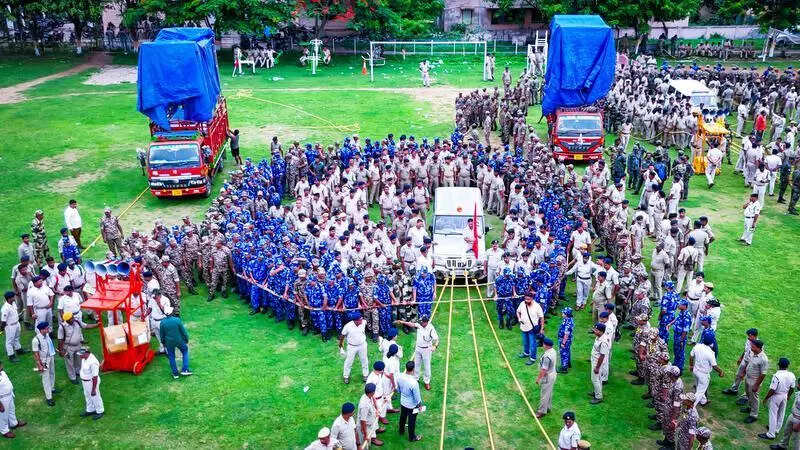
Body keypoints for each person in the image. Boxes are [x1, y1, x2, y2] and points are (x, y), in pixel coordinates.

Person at [395, 315, 438, 390]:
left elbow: (437, 339)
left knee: (427, 367)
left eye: (422, 322)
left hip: (426, 350)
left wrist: (435, 346)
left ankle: (426, 382)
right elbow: (412, 324)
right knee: (416, 365)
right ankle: (416, 379)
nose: (420, 323)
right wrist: (402, 322)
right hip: (418, 349)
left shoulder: (431, 329)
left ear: (426, 322)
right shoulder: (420, 325)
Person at [760, 357, 796, 440]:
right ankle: (776, 429)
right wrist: (788, 396)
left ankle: (771, 434)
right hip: (784, 395)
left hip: (776, 396)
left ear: (778, 365)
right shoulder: (791, 375)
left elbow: (773, 389)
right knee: (781, 413)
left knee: (773, 414)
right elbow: (792, 387)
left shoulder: (777, 375)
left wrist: (766, 398)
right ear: (787, 366)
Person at [57, 312, 97, 384]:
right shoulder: (62, 327)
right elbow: (60, 339)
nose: (73, 319)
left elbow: (86, 326)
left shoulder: (77, 322)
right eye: (71, 318)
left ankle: (78, 371)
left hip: (79, 345)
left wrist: (97, 325)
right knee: (70, 362)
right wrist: (61, 350)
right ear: (67, 320)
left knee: (78, 359)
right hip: (68, 347)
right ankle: (72, 377)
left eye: (73, 317)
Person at [689, 334, 724, 407]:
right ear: (712, 343)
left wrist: (691, 366)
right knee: (700, 392)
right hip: (703, 374)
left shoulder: (697, 346)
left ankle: (703, 401)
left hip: (695, 370)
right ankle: (691, 406)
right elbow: (714, 366)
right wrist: (721, 371)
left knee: (699, 386)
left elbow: (691, 356)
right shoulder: (710, 353)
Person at [159, 311, 192, 380]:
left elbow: (162, 335)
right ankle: (185, 369)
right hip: (179, 341)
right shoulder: (177, 320)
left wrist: (163, 343)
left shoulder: (162, 322)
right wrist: (186, 339)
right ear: (171, 312)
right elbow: (183, 331)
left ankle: (175, 373)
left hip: (169, 343)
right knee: (185, 351)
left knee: (171, 357)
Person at [743, 339, 769, 423]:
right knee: (748, 394)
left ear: (758, 348)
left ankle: (754, 415)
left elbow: (763, 374)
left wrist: (756, 385)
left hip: (754, 381)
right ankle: (750, 408)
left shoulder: (763, 359)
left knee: (754, 397)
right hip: (748, 378)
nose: (751, 347)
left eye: (753, 346)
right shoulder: (753, 353)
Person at [397, 360, 423, 442]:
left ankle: (401, 431)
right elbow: (417, 396)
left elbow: (398, 389)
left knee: (403, 416)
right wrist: (420, 405)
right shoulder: (414, 382)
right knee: (412, 421)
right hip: (412, 405)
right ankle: (412, 437)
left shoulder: (400, 376)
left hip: (403, 401)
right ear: (413, 369)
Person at [32, 321, 57, 406]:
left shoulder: (47, 336)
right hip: (44, 361)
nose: (48, 329)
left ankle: (52, 388)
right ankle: (49, 397)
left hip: (51, 357)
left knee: (52, 373)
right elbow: (36, 353)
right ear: (42, 330)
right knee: (45, 378)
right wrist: (39, 364)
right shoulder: (36, 340)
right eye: (46, 328)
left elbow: (50, 345)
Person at [770, 378, 800, 450]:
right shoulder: (799, 393)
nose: (797, 385)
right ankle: (783, 446)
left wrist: (798, 425)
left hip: (798, 419)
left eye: (799, 384)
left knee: (796, 438)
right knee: (786, 432)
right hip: (792, 415)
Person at [340, 312, 369, 384]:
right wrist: (340, 344)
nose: (362, 320)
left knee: (364, 360)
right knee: (349, 361)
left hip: (362, 345)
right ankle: (346, 376)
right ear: (355, 321)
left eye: (362, 319)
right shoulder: (348, 326)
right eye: (360, 319)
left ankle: (365, 375)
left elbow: (365, 322)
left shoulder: (363, 322)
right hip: (351, 346)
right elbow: (342, 335)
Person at [0, 361, 26, 438]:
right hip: (2, 399)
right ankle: (4, 431)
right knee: (3, 416)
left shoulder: (2, 373)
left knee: (12, 410)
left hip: (9, 395)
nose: (1, 366)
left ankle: (13, 423)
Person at [517, 293, 544, 365]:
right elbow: (518, 311)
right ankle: (526, 353)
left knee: (533, 344)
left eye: (528, 299)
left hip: (532, 329)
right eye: (525, 299)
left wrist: (542, 328)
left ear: (532, 298)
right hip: (523, 327)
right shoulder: (522, 303)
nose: (526, 300)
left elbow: (541, 318)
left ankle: (532, 358)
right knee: (525, 342)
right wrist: (519, 318)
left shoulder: (537, 306)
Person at [77, 347, 103, 420]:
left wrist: (93, 389)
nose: (80, 356)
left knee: (95, 396)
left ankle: (100, 411)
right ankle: (90, 409)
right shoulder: (84, 358)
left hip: (91, 382)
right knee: (87, 396)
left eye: (81, 354)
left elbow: (95, 377)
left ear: (87, 353)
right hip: (85, 382)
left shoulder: (93, 362)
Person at [536, 337, 557, 418]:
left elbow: (544, 370)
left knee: (544, 394)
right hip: (553, 374)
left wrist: (538, 379)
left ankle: (541, 412)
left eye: (543, 344)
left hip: (547, 376)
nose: (542, 345)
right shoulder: (553, 351)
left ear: (546, 345)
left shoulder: (547, 357)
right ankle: (548, 407)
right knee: (549, 392)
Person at [357, 383, 384, 447]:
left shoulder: (368, 395)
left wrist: (377, 410)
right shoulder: (364, 405)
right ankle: (371, 440)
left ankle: (373, 437)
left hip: (371, 422)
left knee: (373, 429)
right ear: (372, 392)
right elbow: (363, 421)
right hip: (365, 426)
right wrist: (366, 434)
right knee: (366, 444)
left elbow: (373, 399)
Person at [589, 322, 610, 404]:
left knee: (595, 379)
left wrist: (597, 367)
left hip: (598, 362)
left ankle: (598, 397)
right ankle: (596, 392)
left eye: (596, 330)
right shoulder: (599, 336)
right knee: (598, 379)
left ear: (601, 331)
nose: (594, 331)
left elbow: (602, 355)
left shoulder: (603, 341)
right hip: (595, 360)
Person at [1, 292, 24, 362]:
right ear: (9, 299)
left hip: (17, 324)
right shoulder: (5, 308)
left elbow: (15, 313)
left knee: (17, 338)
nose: (14, 298)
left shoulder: (13, 303)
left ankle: (19, 350)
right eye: (13, 297)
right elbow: (3, 321)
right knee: (9, 341)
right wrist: (2, 329)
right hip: (10, 326)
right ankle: (11, 356)